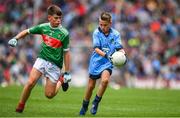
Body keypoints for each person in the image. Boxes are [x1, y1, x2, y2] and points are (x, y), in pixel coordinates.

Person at [8, 5, 72, 113]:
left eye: (60, 18)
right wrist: (16, 38)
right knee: (30, 82)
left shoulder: (64, 33)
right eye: (56, 18)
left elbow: (66, 53)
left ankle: (60, 80)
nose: (58, 20)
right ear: (49, 18)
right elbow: (27, 31)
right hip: (42, 59)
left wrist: (66, 72)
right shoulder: (43, 27)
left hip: (55, 65)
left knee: (49, 95)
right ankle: (20, 106)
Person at [79, 12, 126, 115]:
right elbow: (96, 48)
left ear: (110, 23)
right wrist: (106, 55)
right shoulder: (96, 32)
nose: (102, 27)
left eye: (105, 25)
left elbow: (119, 48)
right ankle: (84, 106)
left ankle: (96, 102)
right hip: (96, 62)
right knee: (91, 86)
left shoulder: (116, 34)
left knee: (105, 81)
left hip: (108, 62)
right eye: (100, 24)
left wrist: (123, 54)